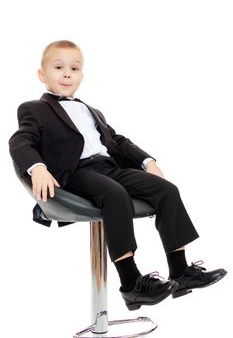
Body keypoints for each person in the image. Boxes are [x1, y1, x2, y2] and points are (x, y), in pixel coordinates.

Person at [9, 40, 227, 311]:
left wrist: (148, 161)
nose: (67, 73)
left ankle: (180, 272)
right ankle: (131, 283)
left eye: (74, 68)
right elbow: (21, 141)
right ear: (42, 75)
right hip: (75, 174)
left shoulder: (92, 111)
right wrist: (37, 167)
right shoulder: (33, 108)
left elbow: (118, 141)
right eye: (58, 67)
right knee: (114, 194)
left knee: (167, 189)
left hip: (109, 168)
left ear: (82, 76)